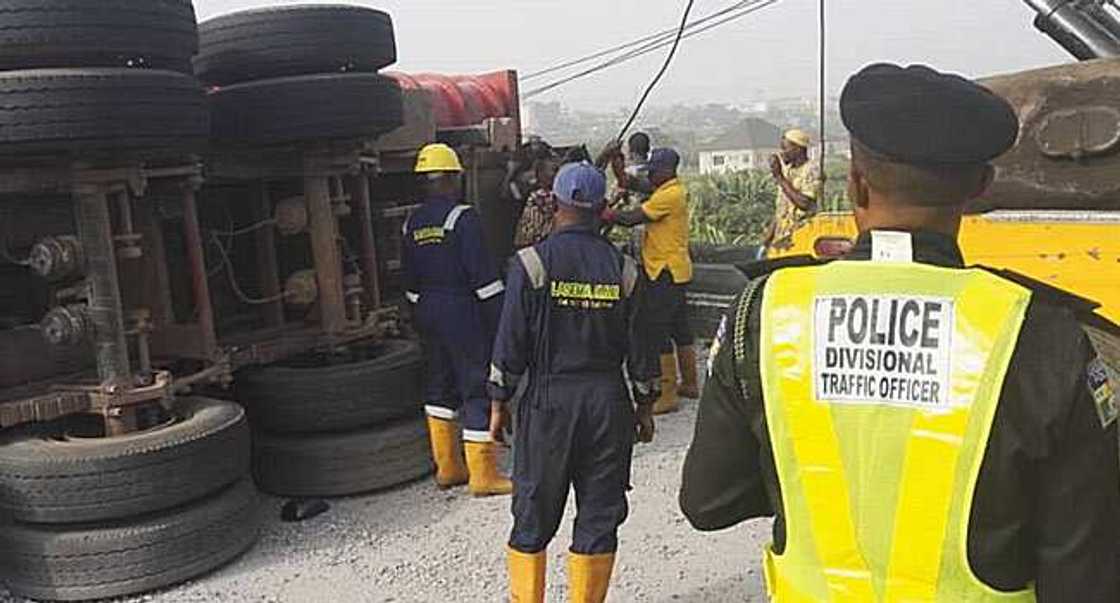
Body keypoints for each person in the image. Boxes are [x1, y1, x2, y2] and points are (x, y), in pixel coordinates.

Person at [679, 63, 1120, 602]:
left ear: (856, 182)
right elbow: (1083, 570)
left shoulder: (766, 310)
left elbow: (709, 502)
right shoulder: (1040, 331)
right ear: (980, 188)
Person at [489, 162, 660, 603]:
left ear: (556, 204)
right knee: (599, 516)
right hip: (607, 403)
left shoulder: (530, 264)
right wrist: (644, 406)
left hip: (548, 402)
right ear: (602, 208)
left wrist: (498, 402)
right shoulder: (625, 269)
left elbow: (510, 343)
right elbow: (642, 350)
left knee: (533, 512)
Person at [403, 143, 511, 498]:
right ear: (452, 179)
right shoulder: (463, 218)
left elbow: (409, 281)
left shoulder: (412, 222)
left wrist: (420, 312)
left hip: (427, 308)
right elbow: (484, 280)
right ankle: (483, 475)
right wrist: (501, 323)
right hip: (461, 310)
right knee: (475, 383)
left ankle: (448, 468)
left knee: (438, 385)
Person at [604, 147, 700, 411]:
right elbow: (630, 182)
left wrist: (603, 212)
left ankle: (666, 395)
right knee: (680, 329)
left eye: (653, 171)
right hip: (677, 270)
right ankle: (690, 383)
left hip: (663, 271)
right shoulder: (668, 188)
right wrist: (617, 163)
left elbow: (630, 218)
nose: (650, 175)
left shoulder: (668, 196)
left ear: (666, 171)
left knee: (657, 331)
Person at [764, 128, 820, 253]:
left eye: (785, 148)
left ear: (798, 149)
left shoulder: (812, 170)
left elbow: (804, 204)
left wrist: (779, 177)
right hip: (782, 242)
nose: (782, 153)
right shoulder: (787, 171)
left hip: (801, 239)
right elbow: (781, 211)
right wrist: (767, 241)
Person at [512, 157, 561, 249]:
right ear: (540, 174)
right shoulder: (532, 194)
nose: (556, 173)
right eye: (554, 170)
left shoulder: (557, 195)